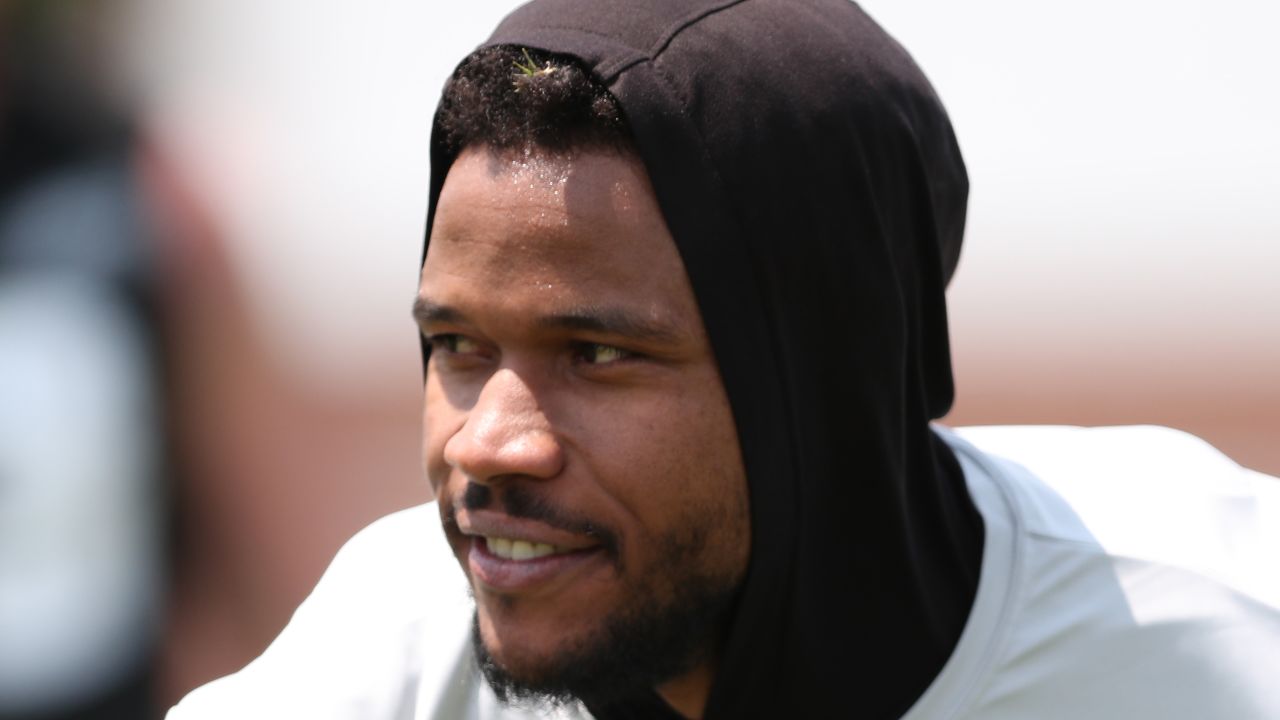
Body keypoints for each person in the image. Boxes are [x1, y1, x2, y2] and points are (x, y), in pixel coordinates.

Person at [167, 0, 1280, 717]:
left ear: (822, 379)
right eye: (454, 345)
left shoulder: (1223, 625)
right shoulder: (391, 659)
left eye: (596, 352)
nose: (487, 439)